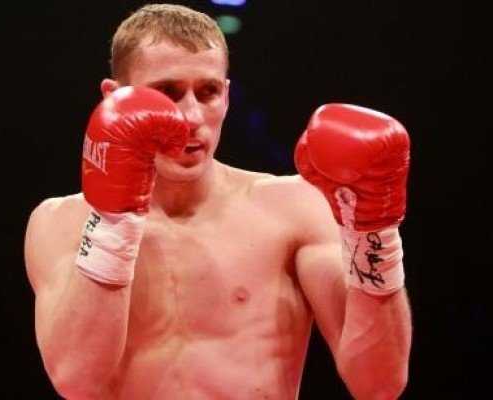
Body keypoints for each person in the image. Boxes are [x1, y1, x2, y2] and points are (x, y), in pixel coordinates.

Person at [24, 4, 412, 399]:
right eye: (167, 92)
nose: (191, 116)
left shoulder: (294, 209)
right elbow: (76, 379)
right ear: (114, 97)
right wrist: (113, 225)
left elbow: (379, 385)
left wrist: (374, 234)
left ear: (226, 96)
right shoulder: (61, 223)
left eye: (207, 92)